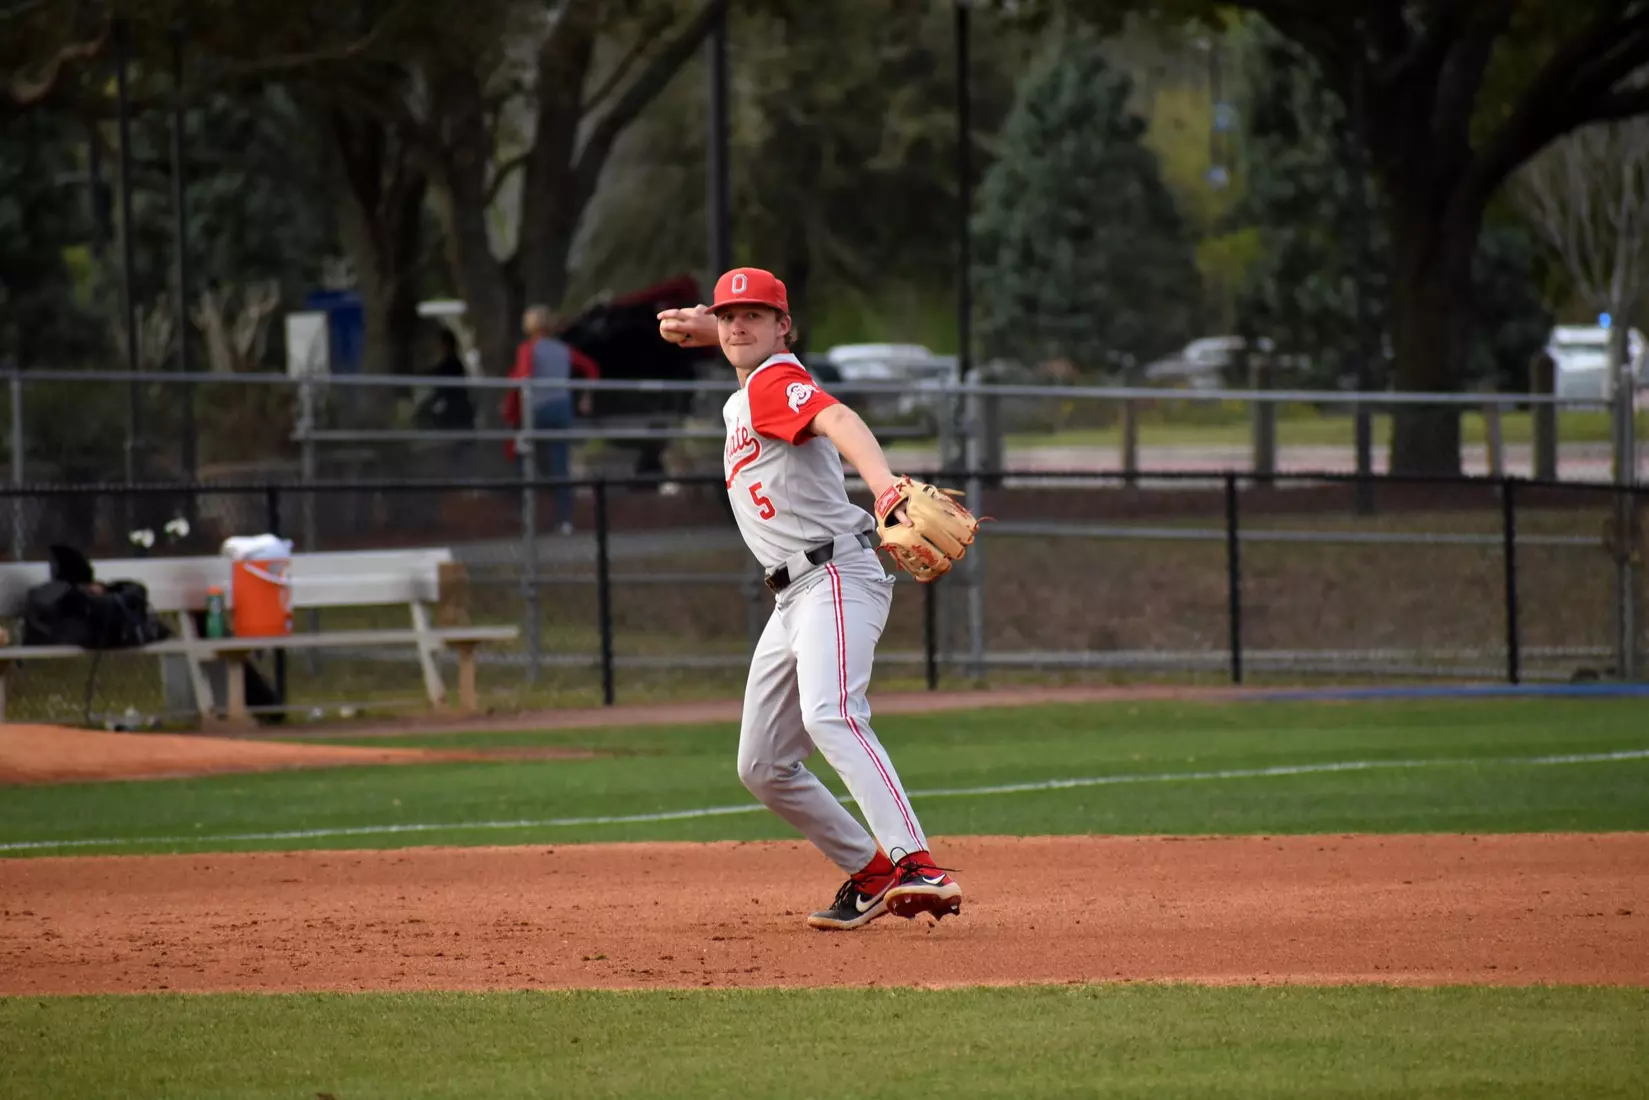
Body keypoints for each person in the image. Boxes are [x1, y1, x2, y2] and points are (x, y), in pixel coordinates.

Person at [657, 267, 962, 931]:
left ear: (783, 326)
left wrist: (882, 485)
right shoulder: (750, 384)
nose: (739, 324)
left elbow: (836, 415)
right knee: (761, 764)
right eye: (729, 314)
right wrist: (713, 330)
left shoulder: (773, 381)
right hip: (791, 597)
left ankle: (917, 865)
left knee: (831, 715)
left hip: (833, 579)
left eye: (755, 316)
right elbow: (745, 346)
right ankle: (872, 871)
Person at [502, 306, 601, 534]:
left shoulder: (528, 349)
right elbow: (591, 368)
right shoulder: (563, 350)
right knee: (560, 464)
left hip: (538, 410)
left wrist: (510, 391)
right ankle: (564, 520)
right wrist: (586, 396)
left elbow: (524, 375)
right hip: (562, 410)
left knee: (521, 456)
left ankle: (527, 513)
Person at [414, 328, 477, 432]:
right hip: (450, 403)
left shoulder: (454, 364)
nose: (439, 347)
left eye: (441, 344)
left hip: (455, 407)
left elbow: (446, 386)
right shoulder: (450, 362)